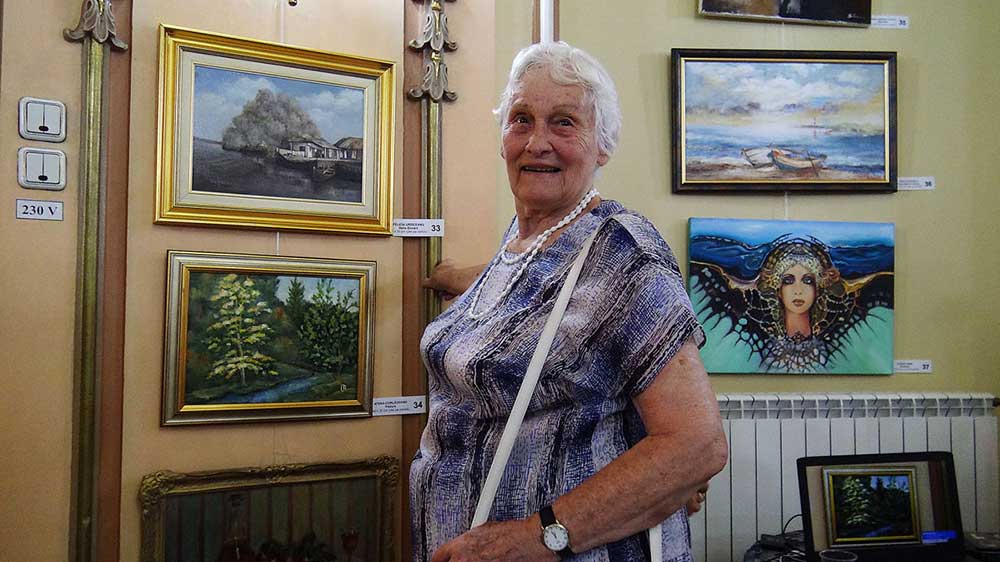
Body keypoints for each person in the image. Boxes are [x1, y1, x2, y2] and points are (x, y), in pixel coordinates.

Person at [411, 41, 728, 562]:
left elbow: (696, 444)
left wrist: (535, 537)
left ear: (602, 145)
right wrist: (453, 278)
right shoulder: (521, 243)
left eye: (563, 122)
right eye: (521, 119)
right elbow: (536, 312)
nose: (537, 142)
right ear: (503, 137)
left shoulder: (625, 254)